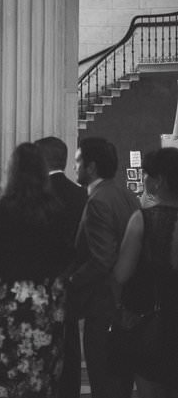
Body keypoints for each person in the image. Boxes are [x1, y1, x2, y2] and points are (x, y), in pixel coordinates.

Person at [0, 143, 70, 397]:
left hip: (7, 298)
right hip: (44, 300)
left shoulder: (0, 209)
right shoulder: (55, 209)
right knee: (41, 372)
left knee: (5, 370)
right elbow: (66, 256)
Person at [68, 137, 139, 398]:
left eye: (78, 162)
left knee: (102, 379)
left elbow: (102, 258)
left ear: (92, 166)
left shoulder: (98, 200)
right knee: (120, 383)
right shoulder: (127, 196)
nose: (74, 168)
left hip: (103, 303)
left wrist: (71, 280)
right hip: (127, 303)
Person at [113, 147, 178, 396]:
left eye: (146, 174)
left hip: (154, 325)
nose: (144, 180)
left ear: (159, 180)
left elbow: (122, 274)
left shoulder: (142, 220)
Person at [34, 136, 88, 398]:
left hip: (40, 283)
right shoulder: (81, 194)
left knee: (39, 347)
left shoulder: (35, 195)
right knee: (70, 347)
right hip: (71, 281)